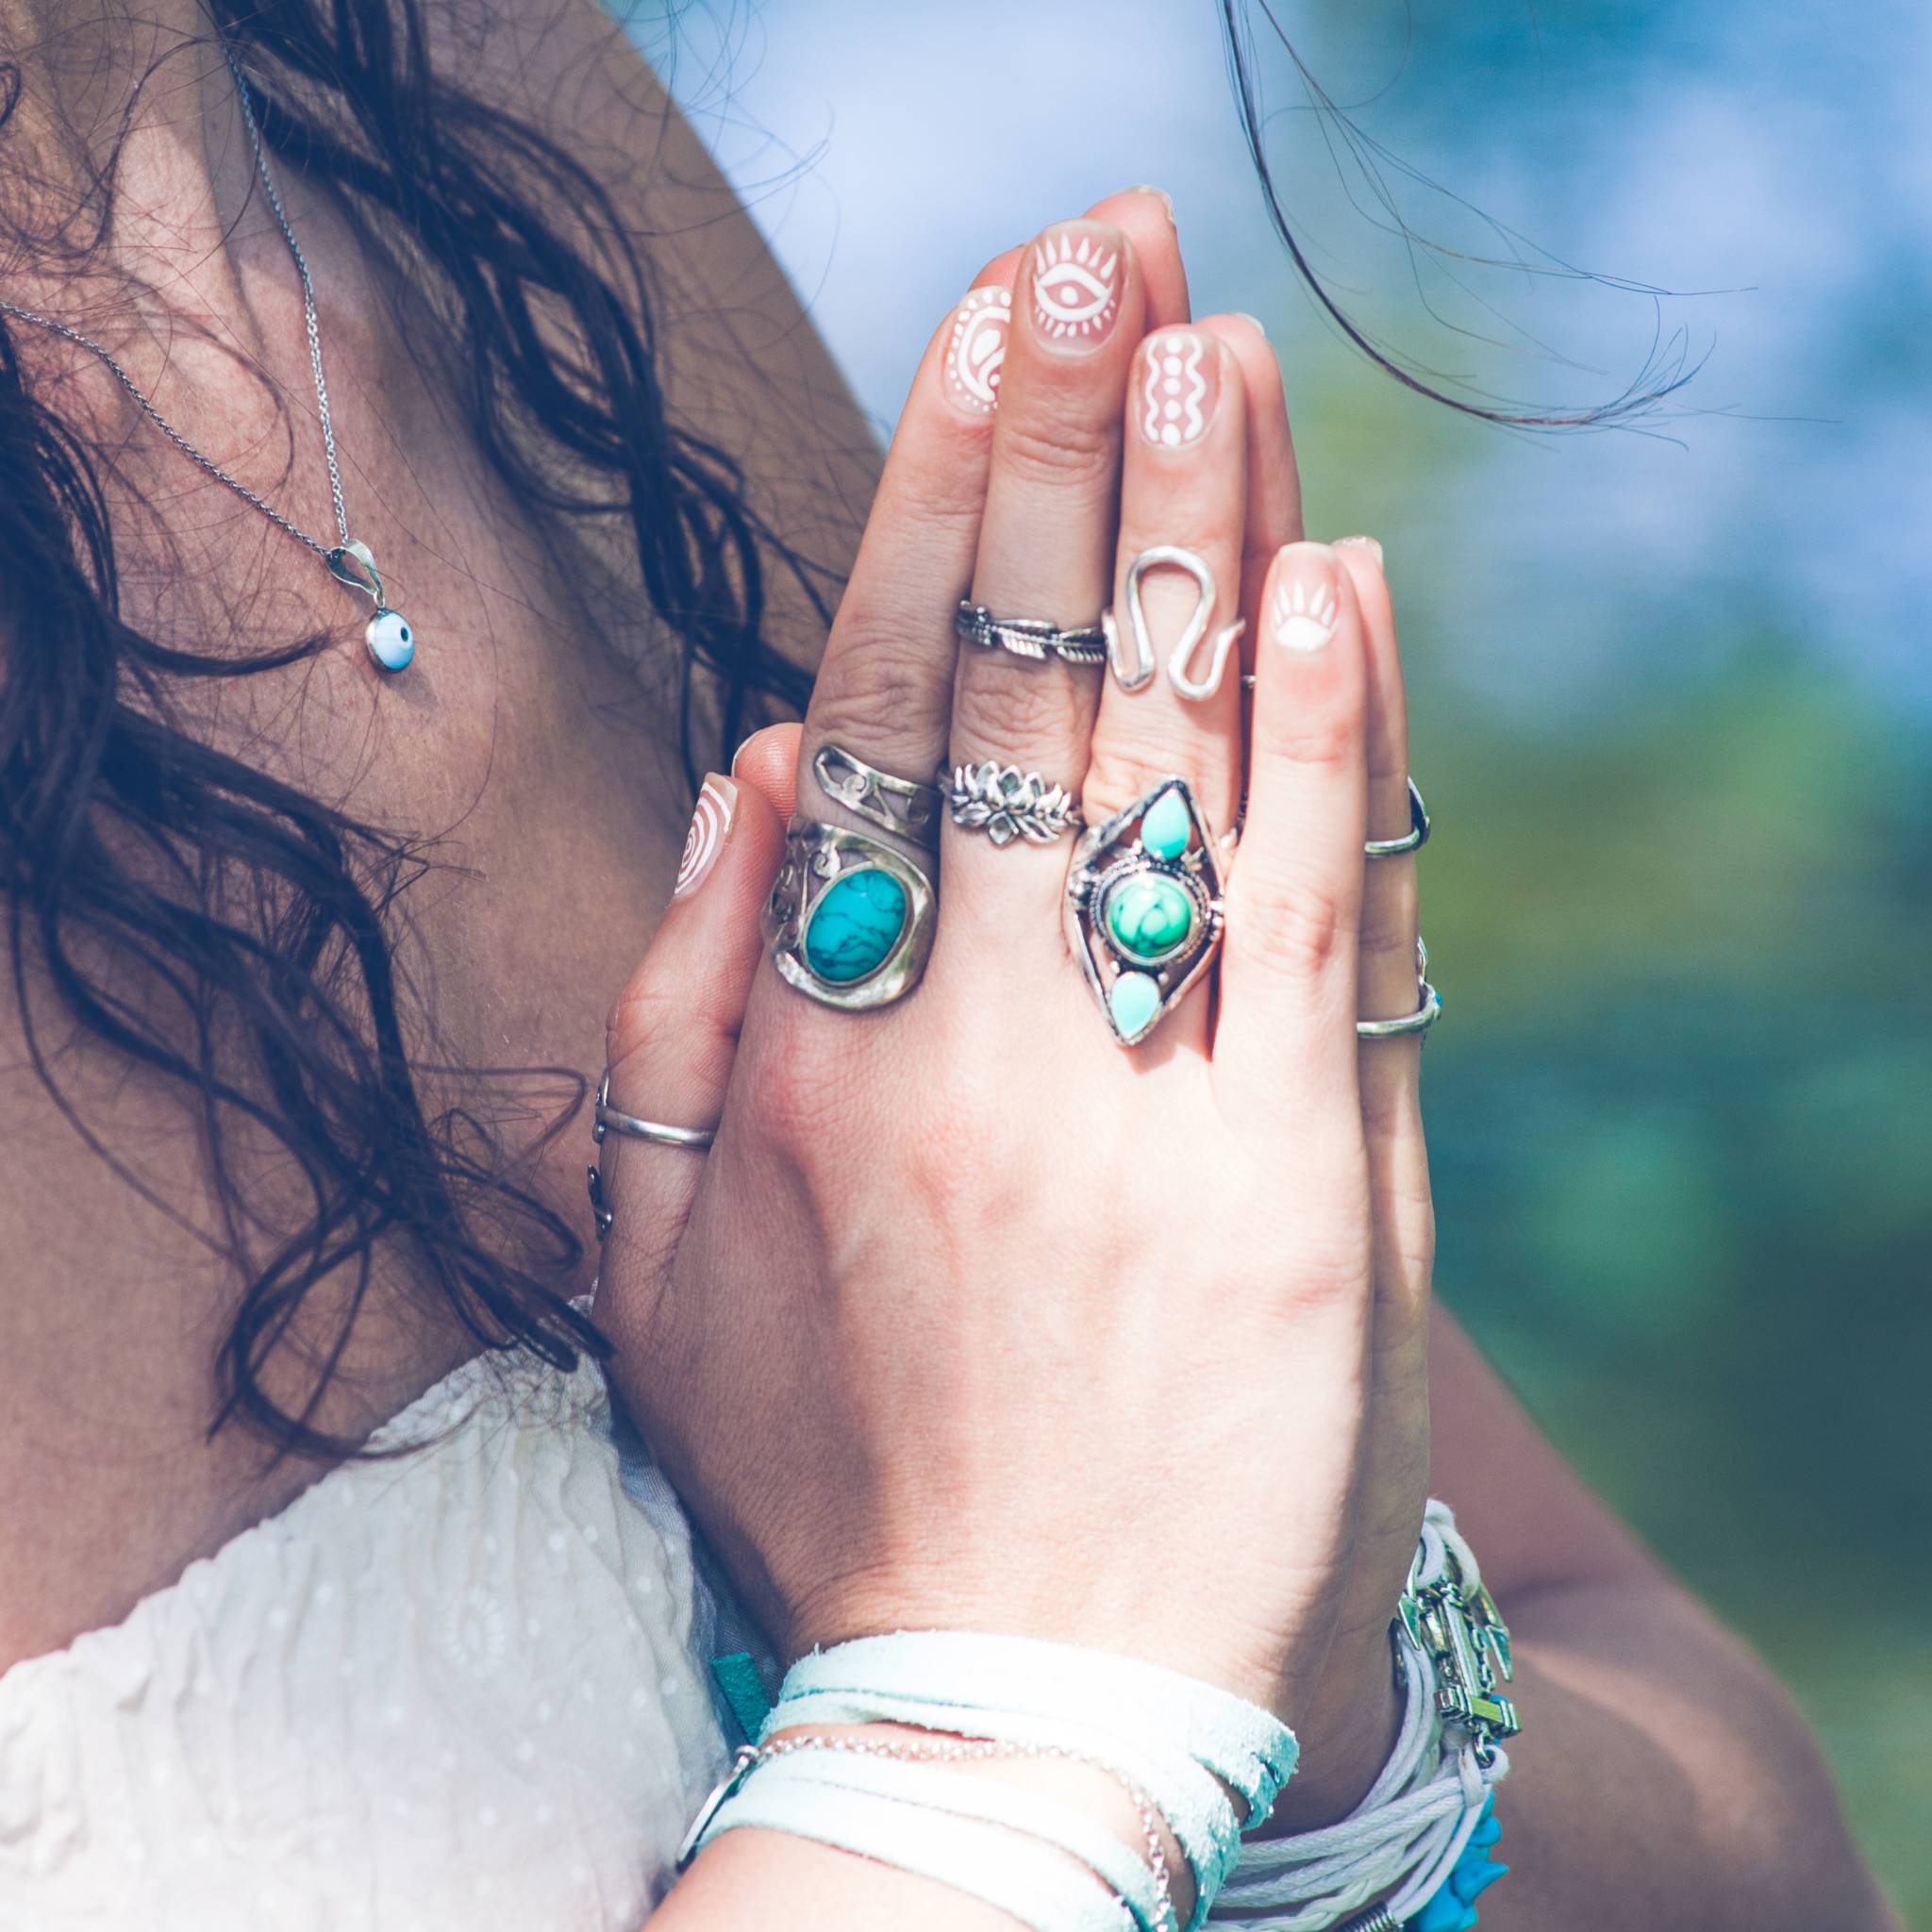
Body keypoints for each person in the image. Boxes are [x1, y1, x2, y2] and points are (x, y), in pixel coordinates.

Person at [0, 3, 1898, 1927]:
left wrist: (1322, 1735)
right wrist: (1013, 1735)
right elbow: (1077, 1667)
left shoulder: (467, 124)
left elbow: (1741, 1827)